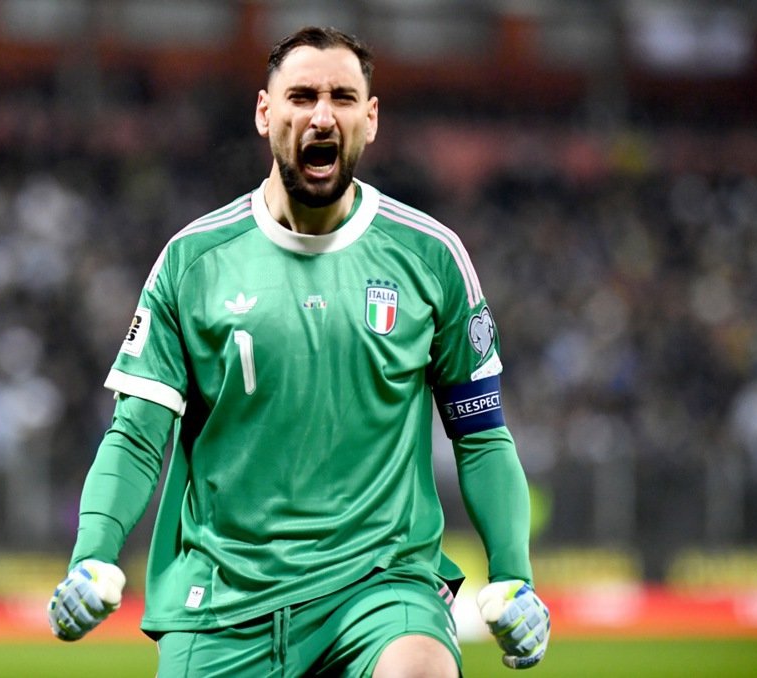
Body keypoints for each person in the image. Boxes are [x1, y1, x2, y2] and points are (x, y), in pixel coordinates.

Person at [47, 26, 549, 677]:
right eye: (302, 96)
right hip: (223, 601)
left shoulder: (431, 256)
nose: (322, 115)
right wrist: (93, 553)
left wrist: (513, 575)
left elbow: (480, 435)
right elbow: (138, 437)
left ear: (370, 119)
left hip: (380, 588)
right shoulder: (193, 261)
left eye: (343, 97)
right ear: (265, 112)